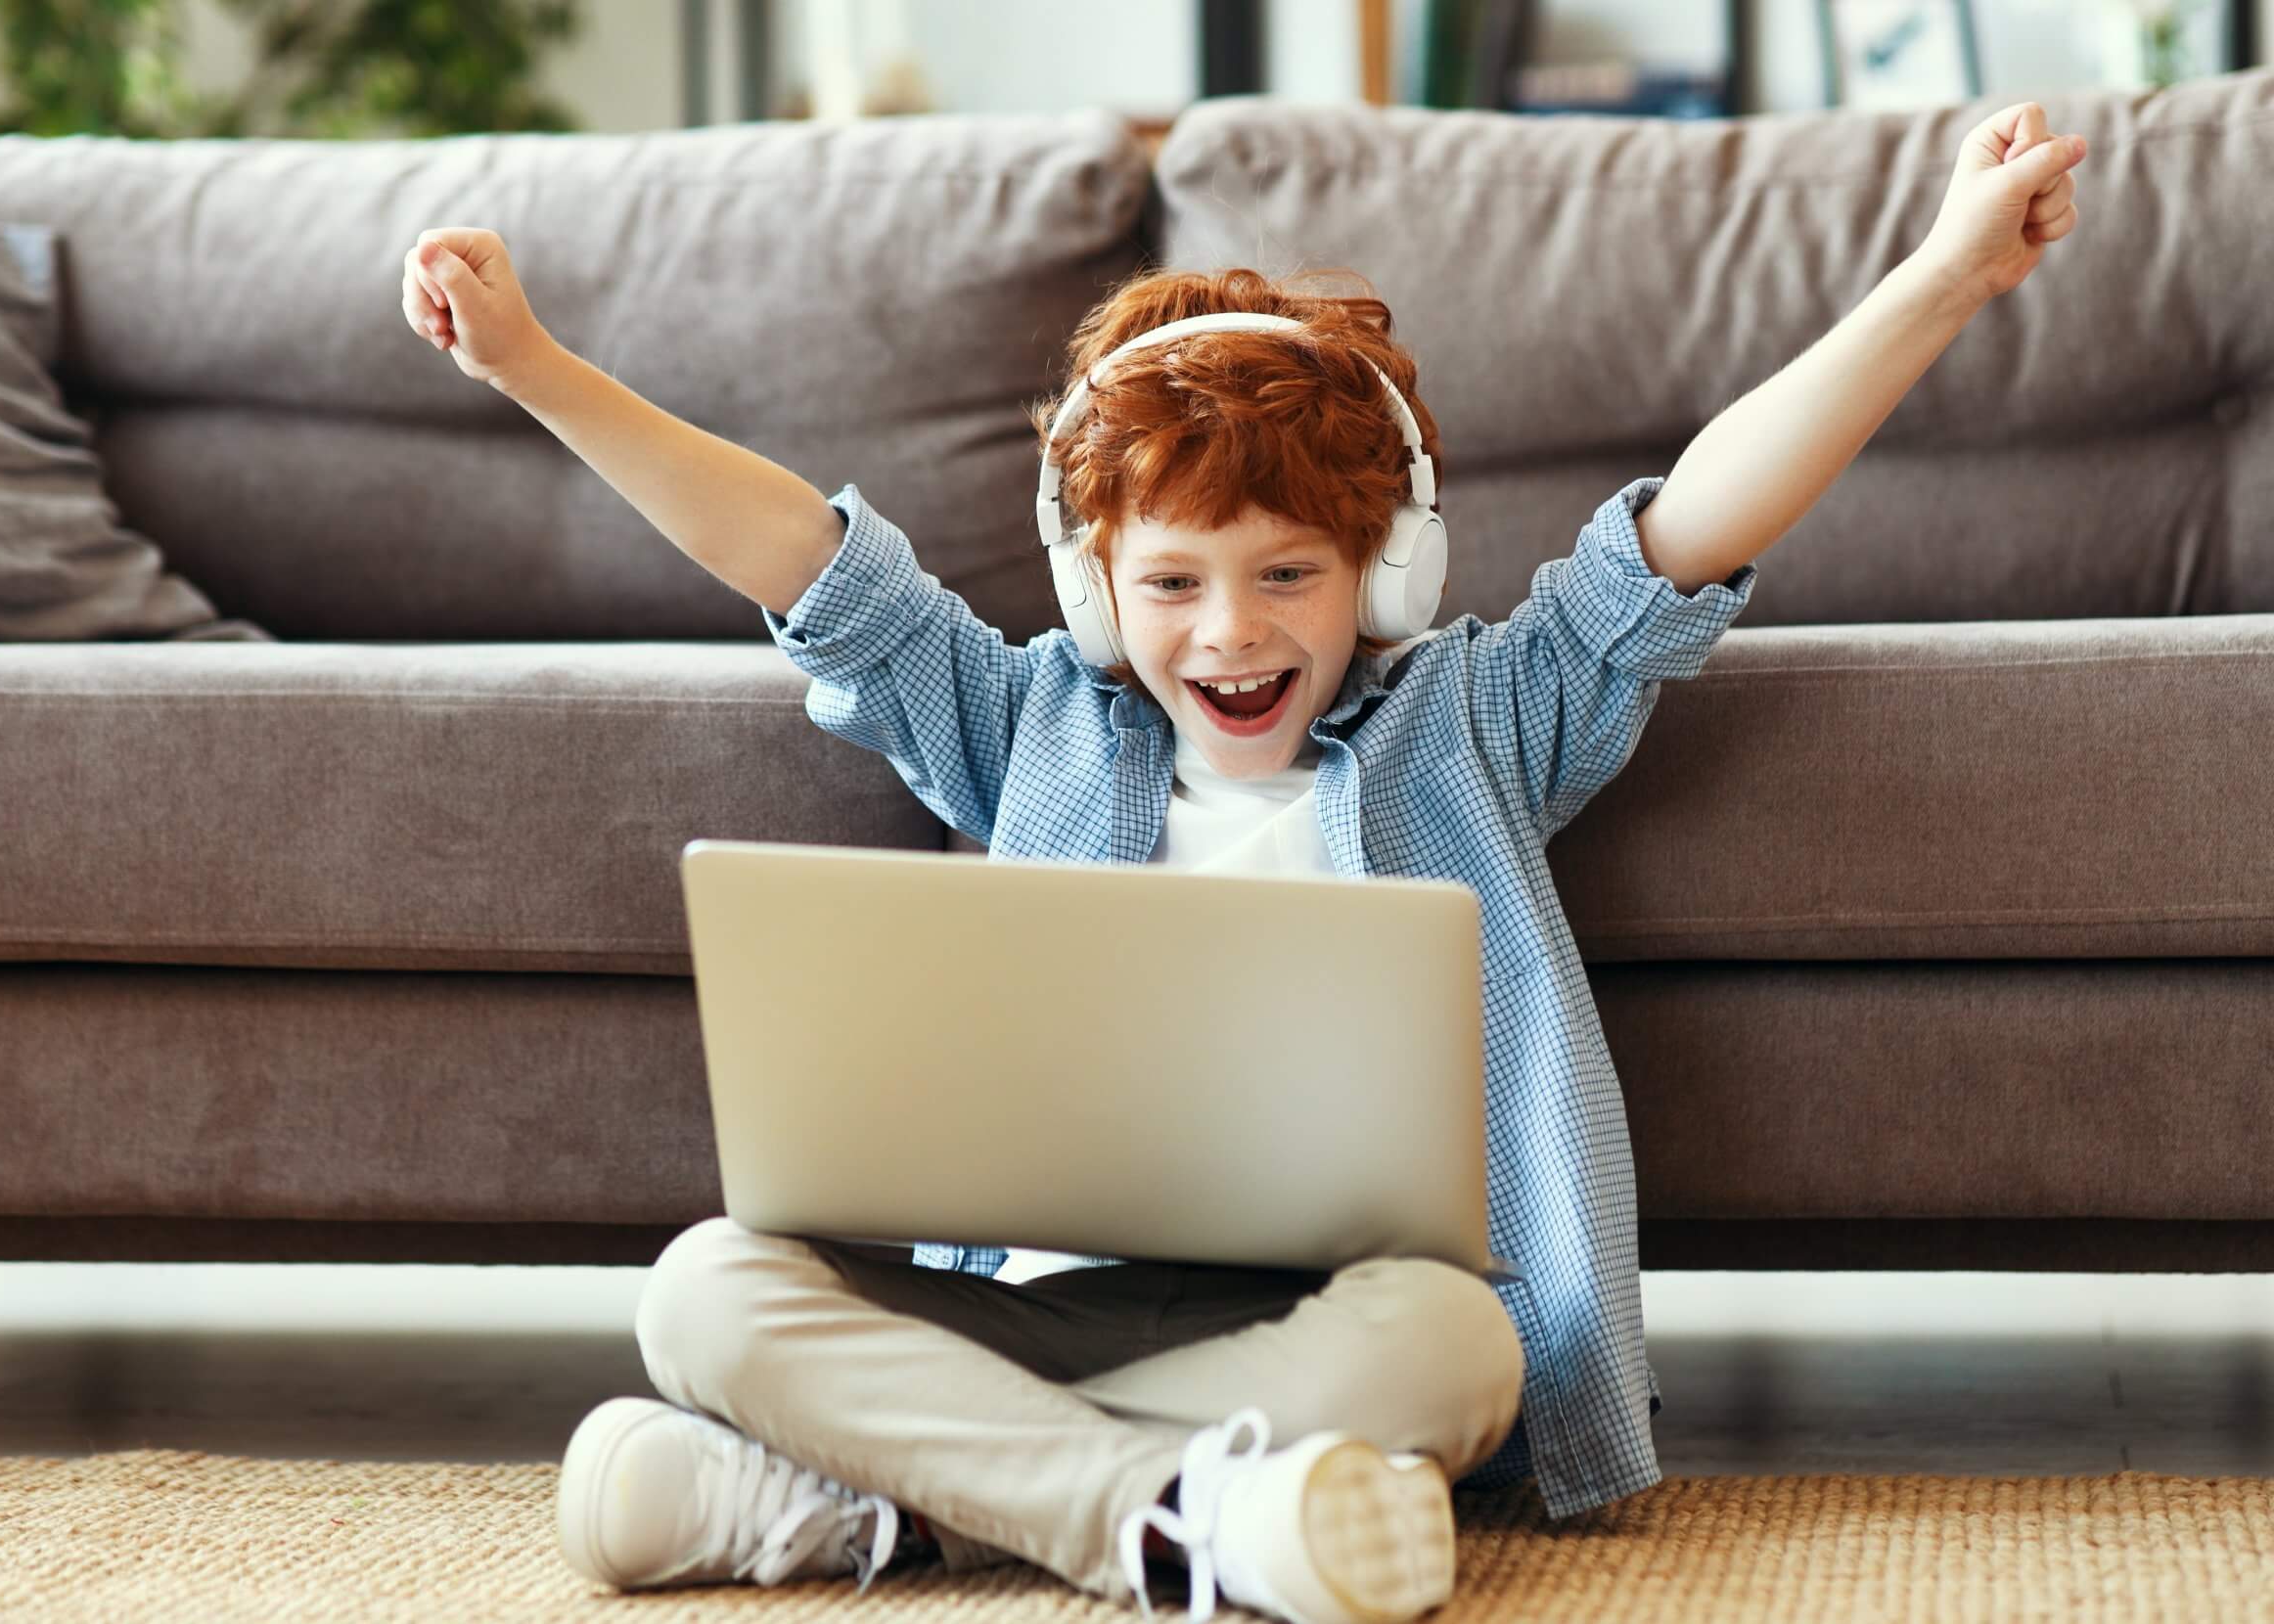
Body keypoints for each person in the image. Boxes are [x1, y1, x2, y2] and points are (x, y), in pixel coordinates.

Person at [396, 101, 2086, 1623]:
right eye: (1176, 581)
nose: (1231, 630)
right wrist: (534, 363)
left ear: (1390, 569)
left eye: (1291, 574)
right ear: (1092, 591)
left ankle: (881, 1509)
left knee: (1468, 1343)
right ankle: (1171, 1517)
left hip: (1356, 1327)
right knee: (706, 1292)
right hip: (1063, 1314)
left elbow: (1699, 523)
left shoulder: (1480, 720)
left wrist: (1944, 273)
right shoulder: (1024, 726)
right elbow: (793, 554)